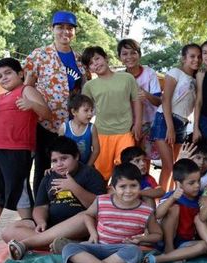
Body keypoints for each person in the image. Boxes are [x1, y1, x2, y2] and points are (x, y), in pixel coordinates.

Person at [0, 58, 51, 243]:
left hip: (17, 149)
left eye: (8, 73)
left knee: (19, 189)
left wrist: (31, 105)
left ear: (20, 73)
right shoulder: (0, 98)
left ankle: (31, 230)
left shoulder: (27, 90)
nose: (3, 78)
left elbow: (46, 113)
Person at [4, 136, 106, 258]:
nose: (59, 164)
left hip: (80, 227)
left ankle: (30, 243)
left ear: (76, 156)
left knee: (85, 218)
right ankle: (69, 245)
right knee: (8, 232)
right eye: (55, 161)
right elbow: (40, 206)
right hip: (52, 226)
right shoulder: (49, 176)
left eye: (64, 158)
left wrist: (74, 187)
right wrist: (41, 221)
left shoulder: (90, 174)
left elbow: (100, 207)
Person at [24, 10, 90, 195]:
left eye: (70, 28)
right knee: (43, 168)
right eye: (60, 27)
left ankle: (65, 207)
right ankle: (39, 210)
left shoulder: (79, 60)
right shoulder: (40, 55)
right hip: (44, 123)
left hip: (71, 125)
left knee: (71, 167)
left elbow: (85, 90)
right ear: (52, 29)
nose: (65, 32)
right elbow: (26, 87)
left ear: (74, 32)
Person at [61, 163, 162, 263]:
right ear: (113, 188)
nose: (128, 191)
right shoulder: (102, 201)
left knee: (135, 252)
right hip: (98, 246)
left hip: (121, 251)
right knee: (69, 248)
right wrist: (93, 233)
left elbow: (157, 234)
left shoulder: (146, 211)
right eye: (122, 186)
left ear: (140, 187)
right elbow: (88, 215)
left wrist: (141, 239)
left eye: (133, 185)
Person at [81, 46, 142, 180]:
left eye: (97, 58)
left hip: (126, 132)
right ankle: (102, 200)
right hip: (102, 133)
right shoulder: (89, 86)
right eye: (91, 63)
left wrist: (137, 123)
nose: (95, 63)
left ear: (106, 58)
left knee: (126, 172)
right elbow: (84, 110)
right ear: (89, 68)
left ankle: (123, 199)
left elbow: (136, 100)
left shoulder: (127, 78)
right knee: (102, 175)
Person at [151, 44, 201, 190]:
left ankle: (172, 198)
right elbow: (165, 99)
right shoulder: (175, 72)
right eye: (192, 56)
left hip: (183, 122)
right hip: (166, 120)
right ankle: (160, 201)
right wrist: (170, 127)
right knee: (168, 165)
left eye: (199, 57)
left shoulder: (197, 78)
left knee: (176, 167)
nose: (196, 60)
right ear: (184, 58)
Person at [143, 159, 207, 263]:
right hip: (167, 239)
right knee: (174, 208)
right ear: (179, 184)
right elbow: (157, 215)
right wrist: (172, 198)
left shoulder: (201, 197)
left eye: (199, 181)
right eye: (192, 183)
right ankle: (170, 249)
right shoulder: (172, 196)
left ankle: (161, 259)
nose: (197, 185)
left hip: (184, 243)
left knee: (204, 246)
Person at [117, 38, 162, 163]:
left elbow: (158, 101)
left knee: (144, 158)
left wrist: (146, 95)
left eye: (133, 53)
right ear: (119, 57)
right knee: (128, 158)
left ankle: (145, 182)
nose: (129, 57)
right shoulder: (119, 77)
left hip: (148, 123)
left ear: (139, 54)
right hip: (127, 125)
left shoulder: (149, 73)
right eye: (125, 54)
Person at [59, 94, 99, 165]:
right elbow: (59, 150)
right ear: (74, 112)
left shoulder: (92, 128)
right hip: (68, 167)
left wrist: (87, 167)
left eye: (91, 110)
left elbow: (96, 150)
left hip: (86, 166)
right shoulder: (64, 128)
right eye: (86, 110)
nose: (90, 114)